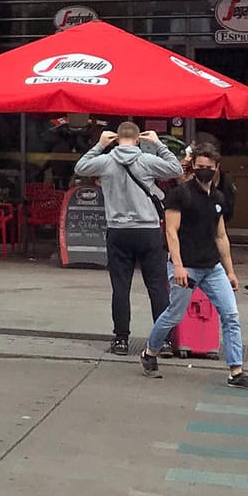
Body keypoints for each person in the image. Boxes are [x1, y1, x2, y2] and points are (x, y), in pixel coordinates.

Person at [140, 144, 248, 390]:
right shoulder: (180, 195)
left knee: (231, 315)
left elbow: (221, 236)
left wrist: (230, 271)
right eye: (200, 167)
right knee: (174, 315)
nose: (204, 171)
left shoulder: (218, 198)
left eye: (209, 167)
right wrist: (178, 266)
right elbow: (171, 232)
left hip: (212, 267)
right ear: (193, 167)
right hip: (187, 266)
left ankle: (236, 371)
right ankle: (150, 351)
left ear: (217, 168)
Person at [75, 120, 184, 355]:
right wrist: (158, 143)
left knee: (121, 287)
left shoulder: (105, 162)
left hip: (118, 230)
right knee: (157, 286)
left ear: (116, 139)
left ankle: (121, 339)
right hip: (148, 230)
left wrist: (98, 145)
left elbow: (81, 167)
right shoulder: (146, 160)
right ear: (137, 140)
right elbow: (177, 169)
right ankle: (162, 340)